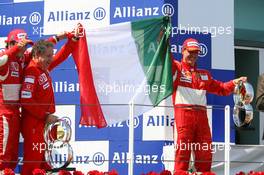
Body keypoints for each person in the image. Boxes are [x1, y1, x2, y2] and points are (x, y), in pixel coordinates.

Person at [172, 38, 247, 173]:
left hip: (201, 117)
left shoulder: (204, 74)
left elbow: (222, 88)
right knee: (182, 151)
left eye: (196, 52)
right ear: (183, 51)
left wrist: (234, 83)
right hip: (183, 115)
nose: (193, 55)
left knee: (205, 151)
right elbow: (165, 60)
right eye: (190, 52)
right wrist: (163, 41)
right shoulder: (177, 68)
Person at [20, 30, 80, 174]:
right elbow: (26, 99)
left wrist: (73, 42)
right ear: (36, 55)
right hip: (34, 124)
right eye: (47, 56)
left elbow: (60, 57)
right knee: (32, 165)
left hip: (43, 124)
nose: (50, 59)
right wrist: (45, 116)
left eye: (50, 55)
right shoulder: (32, 71)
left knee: (43, 165)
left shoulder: (43, 69)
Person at [0, 29, 33, 170]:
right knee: (3, 156)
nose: (24, 49)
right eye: (22, 45)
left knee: (13, 157)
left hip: (15, 115)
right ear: (11, 44)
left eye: (25, 46)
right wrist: (16, 47)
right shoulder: (4, 58)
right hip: (3, 115)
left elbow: (41, 50)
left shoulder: (22, 60)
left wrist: (59, 37)